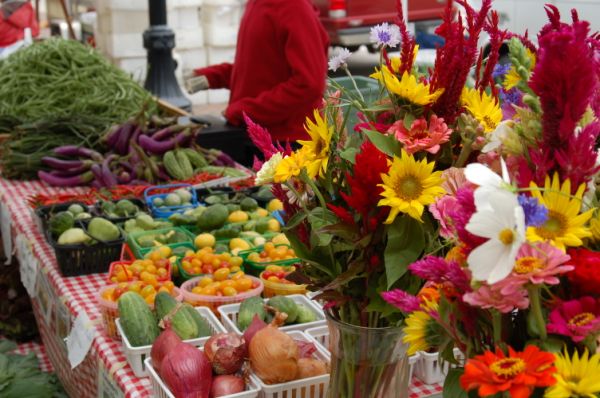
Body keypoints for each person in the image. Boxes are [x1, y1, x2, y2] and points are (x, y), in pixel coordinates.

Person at [189, 0, 329, 142]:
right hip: (257, 135)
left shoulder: (295, 7)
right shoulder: (255, 4)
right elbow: (258, 68)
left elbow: (309, 85)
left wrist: (244, 111)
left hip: (289, 144)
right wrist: (209, 77)